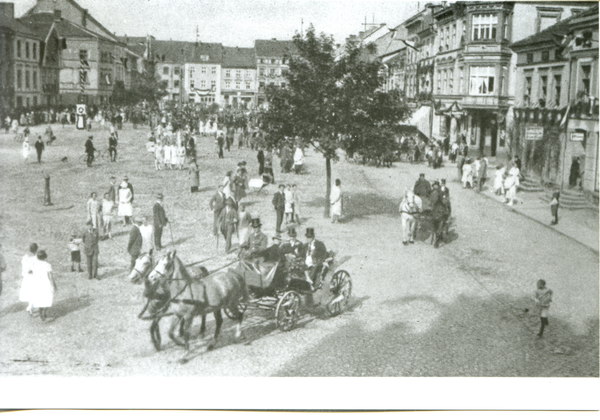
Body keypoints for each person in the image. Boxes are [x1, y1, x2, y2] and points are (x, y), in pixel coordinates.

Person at [30, 250, 57, 320]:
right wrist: (54, 286)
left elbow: (31, 273)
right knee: (48, 298)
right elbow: (50, 277)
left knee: (39, 299)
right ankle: (44, 312)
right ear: (45, 257)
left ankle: (41, 312)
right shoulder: (47, 265)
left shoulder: (34, 264)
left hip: (37, 284)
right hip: (45, 284)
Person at [19, 243, 39, 313]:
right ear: (36, 249)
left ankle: (30, 305)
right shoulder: (36, 257)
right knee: (34, 291)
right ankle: (31, 306)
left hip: (27, 276)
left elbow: (24, 267)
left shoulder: (25, 257)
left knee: (29, 291)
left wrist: (25, 273)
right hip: (34, 276)